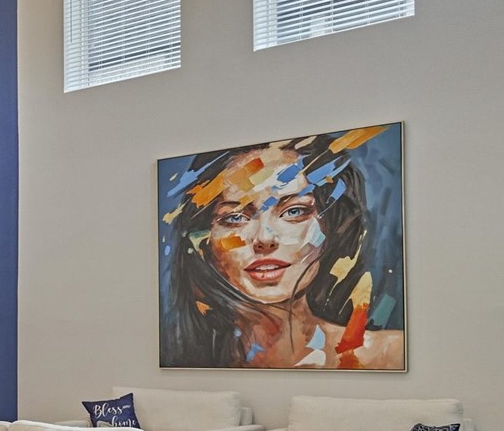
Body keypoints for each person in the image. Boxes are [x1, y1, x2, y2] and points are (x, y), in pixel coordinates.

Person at [160, 127, 404, 370]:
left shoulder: (389, 354)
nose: (264, 238)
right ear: (204, 241)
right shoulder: (182, 360)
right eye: (234, 218)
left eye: (294, 211)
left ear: (330, 227)